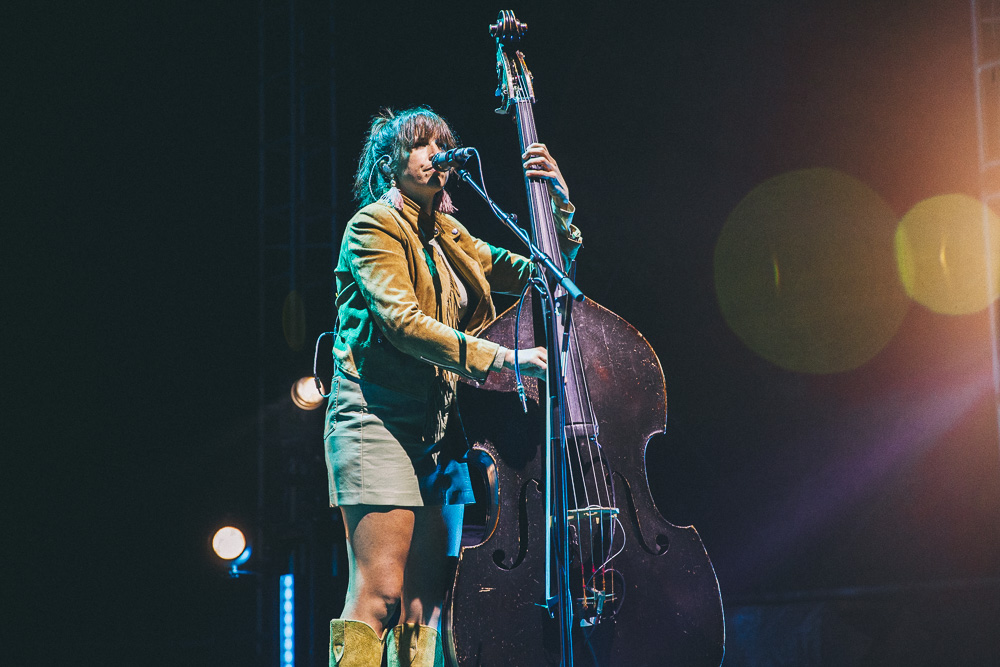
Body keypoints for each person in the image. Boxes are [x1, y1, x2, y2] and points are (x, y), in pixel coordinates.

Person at [325, 106, 581, 667]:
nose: (435, 154)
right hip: (377, 421)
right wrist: (506, 359)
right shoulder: (372, 226)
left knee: (426, 606)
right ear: (389, 163)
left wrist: (558, 204)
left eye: (441, 144)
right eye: (420, 144)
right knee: (380, 594)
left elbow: (544, 274)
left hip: (441, 433)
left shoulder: (450, 234)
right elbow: (404, 324)